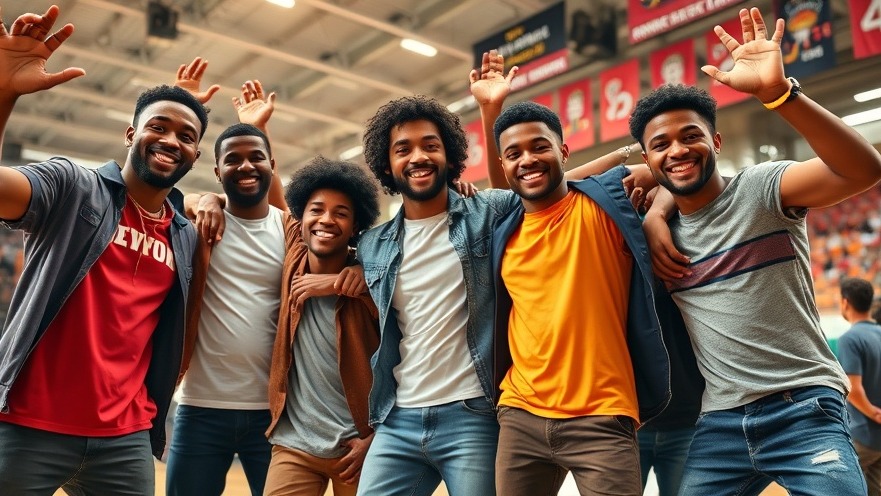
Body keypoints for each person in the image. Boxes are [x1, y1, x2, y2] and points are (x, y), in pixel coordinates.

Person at [354, 53, 657, 496]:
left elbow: (544, 183)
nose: (419, 157)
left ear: (451, 158)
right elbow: (304, 237)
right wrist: (215, 201)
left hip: (473, 412)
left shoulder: (488, 213)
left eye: (431, 146)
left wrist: (490, 110)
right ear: (386, 165)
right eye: (404, 149)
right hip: (399, 414)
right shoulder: (371, 245)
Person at [632, 8, 881, 495]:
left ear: (717, 142)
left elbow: (863, 170)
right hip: (719, 421)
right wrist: (655, 213)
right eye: (660, 145)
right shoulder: (655, 228)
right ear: (646, 159)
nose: (677, 150)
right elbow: (546, 188)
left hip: (803, 406)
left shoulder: (764, 189)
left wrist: (779, 95)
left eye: (691, 136)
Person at [0, 5, 209, 495]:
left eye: (187, 136)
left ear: (197, 155)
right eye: (158, 126)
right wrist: (4, 93)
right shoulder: (73, 186)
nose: (171, 140)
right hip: (30, 425)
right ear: (131, 133)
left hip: (125, 437)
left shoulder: (185, 233)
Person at [476, 64, 699, 496]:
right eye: (514, 153)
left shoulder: (602, 203)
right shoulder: (504, 227)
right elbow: (512, 182)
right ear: (503, 165)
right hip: (519, 414)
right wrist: (491, 111)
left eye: (540, 147)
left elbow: (672, 167)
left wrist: (655, 214)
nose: (527, 159)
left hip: (603, 416)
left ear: (563, 152)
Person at [167, 122, 284, 496]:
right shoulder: (196, 225)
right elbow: (167, 195)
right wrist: (204, 200)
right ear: (217, 172)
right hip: (200, 407)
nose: (246, 166)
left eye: (256, 157)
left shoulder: (293, 230)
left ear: (271, 165)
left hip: (274, 413)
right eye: (232, 160)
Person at [263, 156, 381, 496]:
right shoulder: (294, 255)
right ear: (300, 219)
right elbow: (270, 194)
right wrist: (204, 198)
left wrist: (376, 437)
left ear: (356, 226)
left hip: (358, 446)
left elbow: (403, 361)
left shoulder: (373, 280)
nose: (326, 219)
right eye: (316, 210)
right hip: (294, 444)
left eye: (340, 213)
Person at [838, 277, 881, 495]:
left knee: (834, 483)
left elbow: (853, 390)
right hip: (878, 441)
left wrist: (875, 414)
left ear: (845, 302)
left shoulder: (850, 338)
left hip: (863, 435)